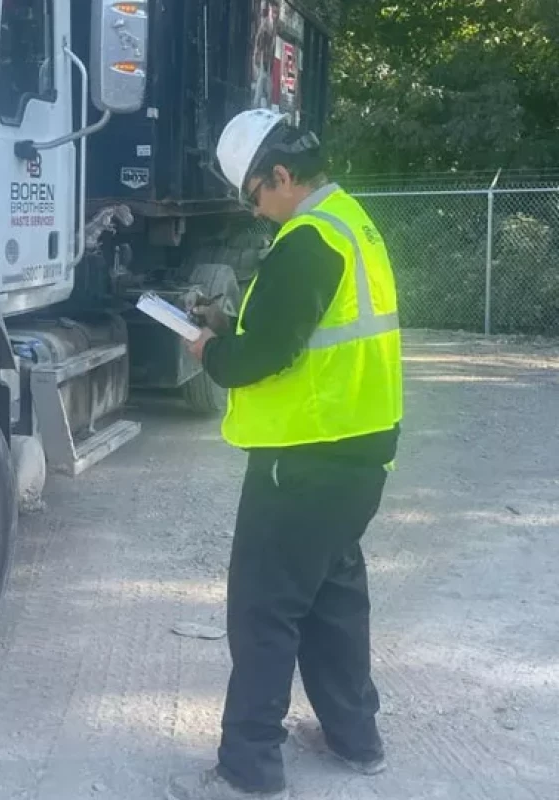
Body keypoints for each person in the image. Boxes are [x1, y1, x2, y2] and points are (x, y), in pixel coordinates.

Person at [167, 109, 404, 800]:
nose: (254, 209)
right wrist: (227, 318)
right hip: (358, 453)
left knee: (264, 610)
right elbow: (302, 325)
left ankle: (249, 766)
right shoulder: (350, 224)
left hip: (301, 460)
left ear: (279, 175)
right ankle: (356, 739)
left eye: (253, 195)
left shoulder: (305, 241)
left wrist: (209, 347)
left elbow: (260, 358)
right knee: (333, 598)